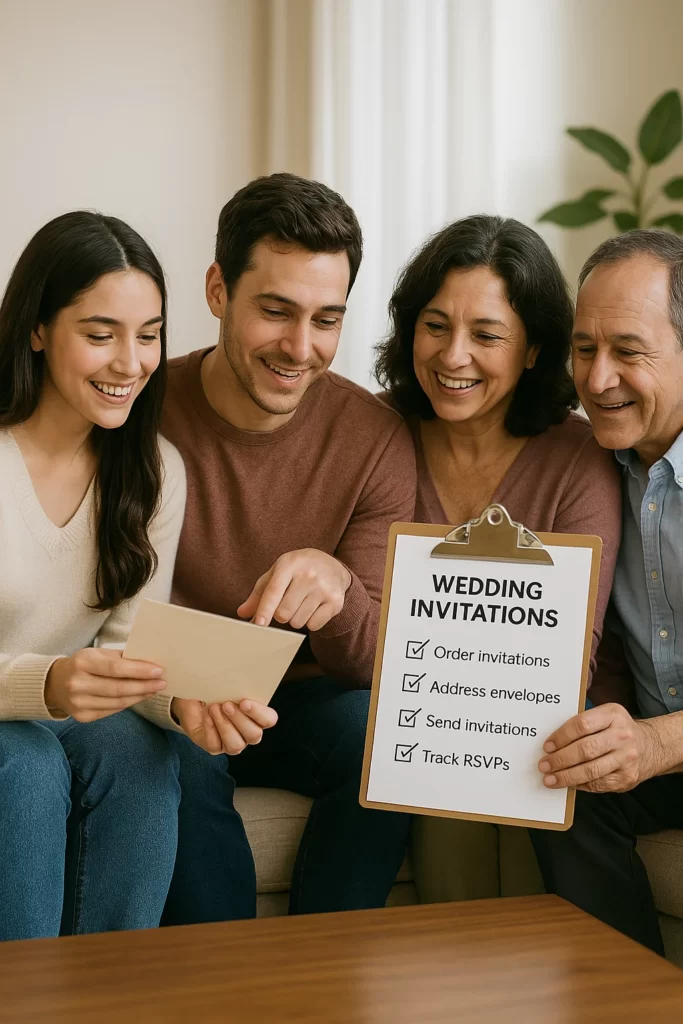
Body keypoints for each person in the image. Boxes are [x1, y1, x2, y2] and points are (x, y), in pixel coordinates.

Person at [159, 172, 417, 924]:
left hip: (303, 696)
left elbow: (371, 663)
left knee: (384, 730)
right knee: (168, 761)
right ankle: (231, 987)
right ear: (217, 290)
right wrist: (174, 691)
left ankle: (326, 979)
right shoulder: (141, 411)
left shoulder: (373, 438)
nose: (301, 348)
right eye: (275, 311)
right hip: (174, 690)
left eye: (326, 319)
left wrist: (337, 588)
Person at [374, 214, 622, 902]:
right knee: (441, 769)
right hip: (409, 715)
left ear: (534, 350)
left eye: (485, 335)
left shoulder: (577, 457)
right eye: (434, 325)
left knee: (500, 761)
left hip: (532, 714)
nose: (453, 356)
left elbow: (570, 651)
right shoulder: (375, 435)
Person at [0, 211, 189, 941]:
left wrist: (181, 706)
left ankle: (115, 1001)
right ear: (39, 329)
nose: (130, 362)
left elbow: (125, 649)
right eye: (101, 333)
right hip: (19, 736)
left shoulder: (154, 473)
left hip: (54, 722)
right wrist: (43, 685)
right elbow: (54, 692)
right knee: (24, 761)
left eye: (148, 335)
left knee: (140, 750)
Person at [531, 229, 683, 956]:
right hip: (661, 760)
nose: (595, 379)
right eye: (582, 348)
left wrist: (652, 742)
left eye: (627, 350)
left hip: (667, 745)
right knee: (564, 779)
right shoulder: (588, 465)